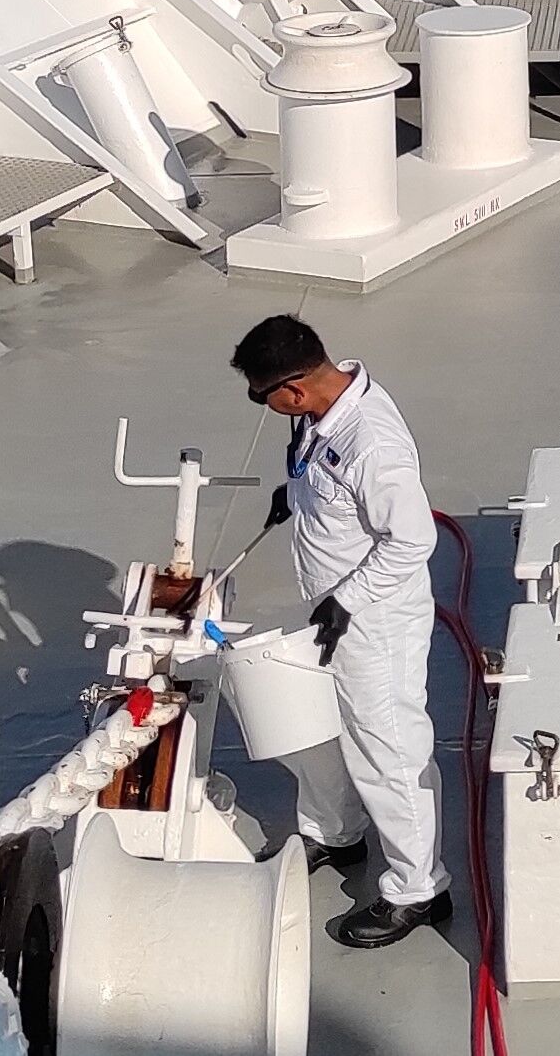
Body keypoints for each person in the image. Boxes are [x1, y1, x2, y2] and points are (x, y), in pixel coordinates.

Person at [231, 312, 449, 948]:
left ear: (294, 388)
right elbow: (330, 484)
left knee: (388, 748)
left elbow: (412, 539)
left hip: (373, 619)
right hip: (333, 611)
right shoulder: (321, 409)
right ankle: (337, 833)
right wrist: (295, 495)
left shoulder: (371, 443)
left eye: (263, 397)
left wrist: (346, 600)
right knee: (321, 720)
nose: (264, 407)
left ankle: (418, 890)